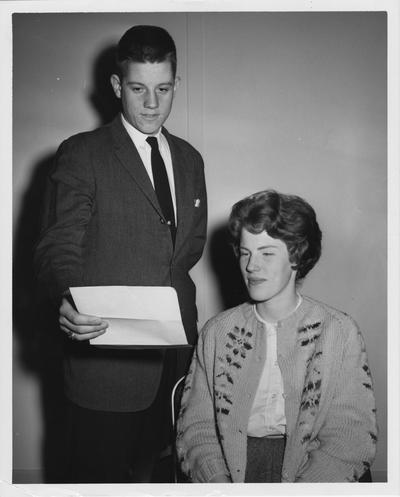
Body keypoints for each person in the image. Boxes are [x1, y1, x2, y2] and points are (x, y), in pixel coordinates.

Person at [34, 25, 207, 483]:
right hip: (105, 368)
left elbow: (185, 252)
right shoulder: (82, 154)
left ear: (176, 85)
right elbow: (58, 244)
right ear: (116, 87)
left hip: (178, 364)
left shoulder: (191, 160)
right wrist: (65, 299)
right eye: (138, 89)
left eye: (163, 89)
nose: (152, 103)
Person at [176, 189, 377, 483]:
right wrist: (218, 483)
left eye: (267, 254)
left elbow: (350, 437)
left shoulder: (339, 331)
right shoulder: (216, 332)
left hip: (311, 465)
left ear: (297, 256)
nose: (251, 266)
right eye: (245, 253)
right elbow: (198, 428)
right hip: (234, 465)